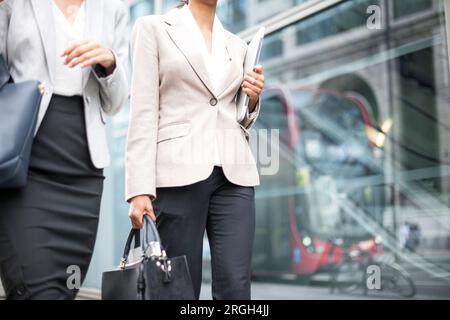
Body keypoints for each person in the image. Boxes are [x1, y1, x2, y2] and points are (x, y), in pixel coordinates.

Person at [126, 0, 265, 300]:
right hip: (177, 173)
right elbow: (143, 111)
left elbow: (239, 117)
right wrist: (139, 188)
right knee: (176, 288)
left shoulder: (237, 46)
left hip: (234, 177)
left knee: (236, 288)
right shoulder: (153, 29)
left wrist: (252, 100)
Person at [0, 0, 128, 299]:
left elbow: (117, 101)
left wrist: (109, 63)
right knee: (37, 289)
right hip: (25, 165)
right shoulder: (14, 3)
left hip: (83, 172)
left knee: (65, 288)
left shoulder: (113, 9)